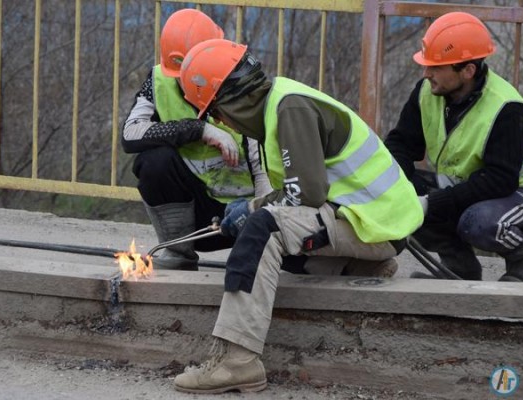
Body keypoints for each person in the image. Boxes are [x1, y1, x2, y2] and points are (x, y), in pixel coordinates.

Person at [171, 38, 424, 394]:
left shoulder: (290, 109)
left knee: (262, 230)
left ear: (230, 100)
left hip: (375, 225)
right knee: (269, 249)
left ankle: (237, 361)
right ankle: (360, 267)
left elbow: (306, 194)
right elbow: (301, 191)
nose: (221, 122)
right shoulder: (277, 104)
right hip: (369, 223)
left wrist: (252, 210)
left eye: (214, 112)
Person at [384, 12, 523, 282]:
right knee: (404, 194)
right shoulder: (427, 91)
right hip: (471, 183)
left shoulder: (508, 108)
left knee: (477, 223)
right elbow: (400, 144)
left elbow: (499, 181)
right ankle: (460, 270)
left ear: (467, 71)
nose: (426, 73)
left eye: (435, 67)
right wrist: (402, 189)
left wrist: (431, 203)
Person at [121, 9, 271, 271]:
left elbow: (263, 169)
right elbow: (130, 134)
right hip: (195, 222)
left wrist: (262, 228)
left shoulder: (241, 82)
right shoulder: (158, 82)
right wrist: (198, 129)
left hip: (242, 215)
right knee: (153, 160)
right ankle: (178, 252)